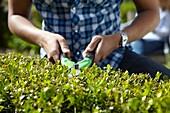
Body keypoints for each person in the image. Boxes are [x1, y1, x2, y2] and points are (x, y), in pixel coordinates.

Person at [8, 0, 170, 79]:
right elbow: (16, 16)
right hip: (54, 62)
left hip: (115, 57)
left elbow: (150, 12)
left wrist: (118, 39)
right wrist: (43, 38)